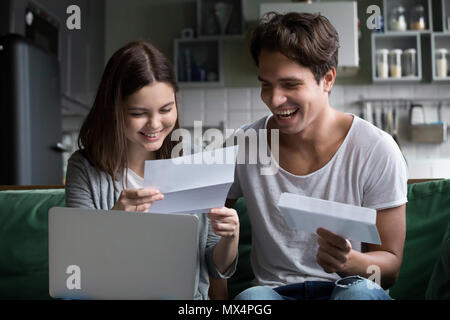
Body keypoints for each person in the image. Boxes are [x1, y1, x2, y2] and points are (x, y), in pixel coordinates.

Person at [226, 12, 408, 300]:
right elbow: (206, 225)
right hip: (275, 292)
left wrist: (351, 263)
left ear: (327, 79)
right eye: (266, 84)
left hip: (347, 287)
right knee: (251, 300)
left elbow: (391, 266)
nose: (274, 100)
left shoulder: (377, 149)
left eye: (290, 84)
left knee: (358, 295)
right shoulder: (245, 144)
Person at [65, 41, 239, 300]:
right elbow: (78, 266)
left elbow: (213, 264)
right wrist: (113, 221)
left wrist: (230, 238)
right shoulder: (85, 167)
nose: (155, 124)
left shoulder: (193, 159)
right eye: (138, 113)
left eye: (166, 109)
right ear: (113, 111)